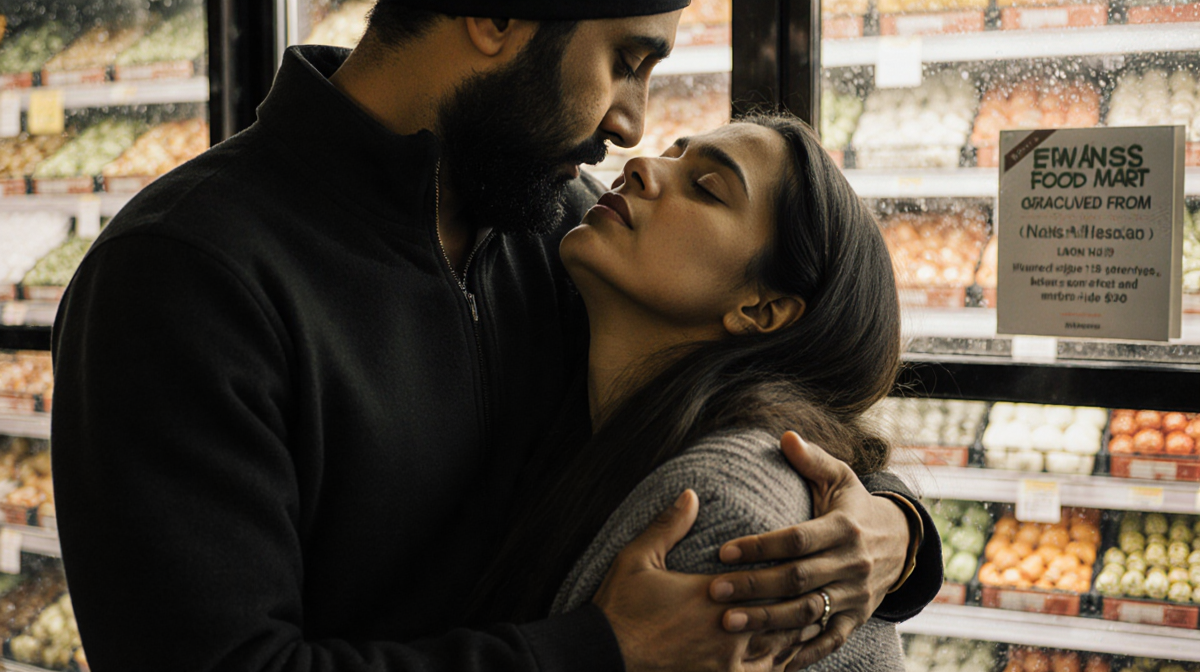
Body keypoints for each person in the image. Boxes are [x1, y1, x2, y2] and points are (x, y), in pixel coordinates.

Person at [49, 3, 942, 671]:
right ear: (496, 16)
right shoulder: (183, 276)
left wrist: (895, 530)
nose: (630, 127)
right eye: (626, 60)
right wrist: (595, 652)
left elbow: (765, 385)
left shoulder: (560, 229)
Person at [470, 116, 909, 670]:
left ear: (759, 310)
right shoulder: (612, 418)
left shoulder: (721, 516)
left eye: (705, 187)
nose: (641, 165)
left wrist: (903, 527)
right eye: (673, 154)